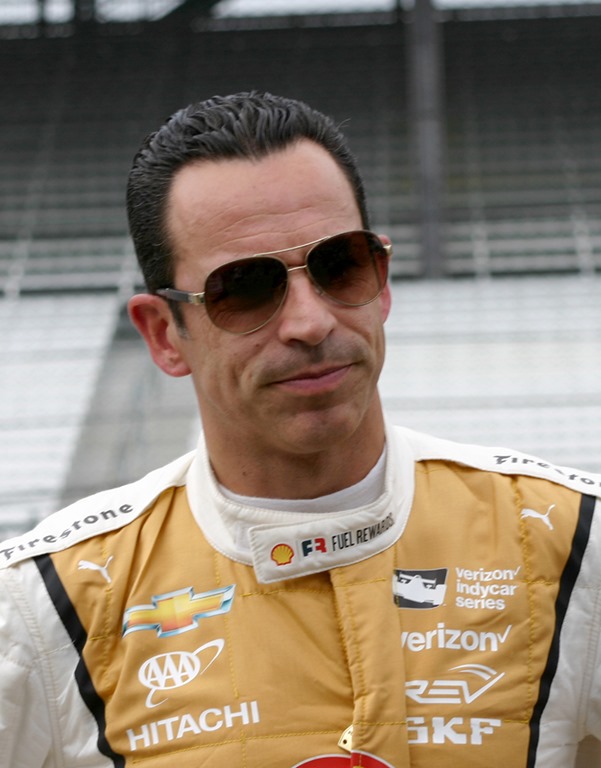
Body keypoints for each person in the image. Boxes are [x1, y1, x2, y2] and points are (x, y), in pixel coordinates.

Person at [0, 91, 600, 768]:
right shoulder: (44, 601)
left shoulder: (570, 539)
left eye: (340, 264)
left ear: (382, 280)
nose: (310, 323)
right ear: (164, 334)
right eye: (244, 288)